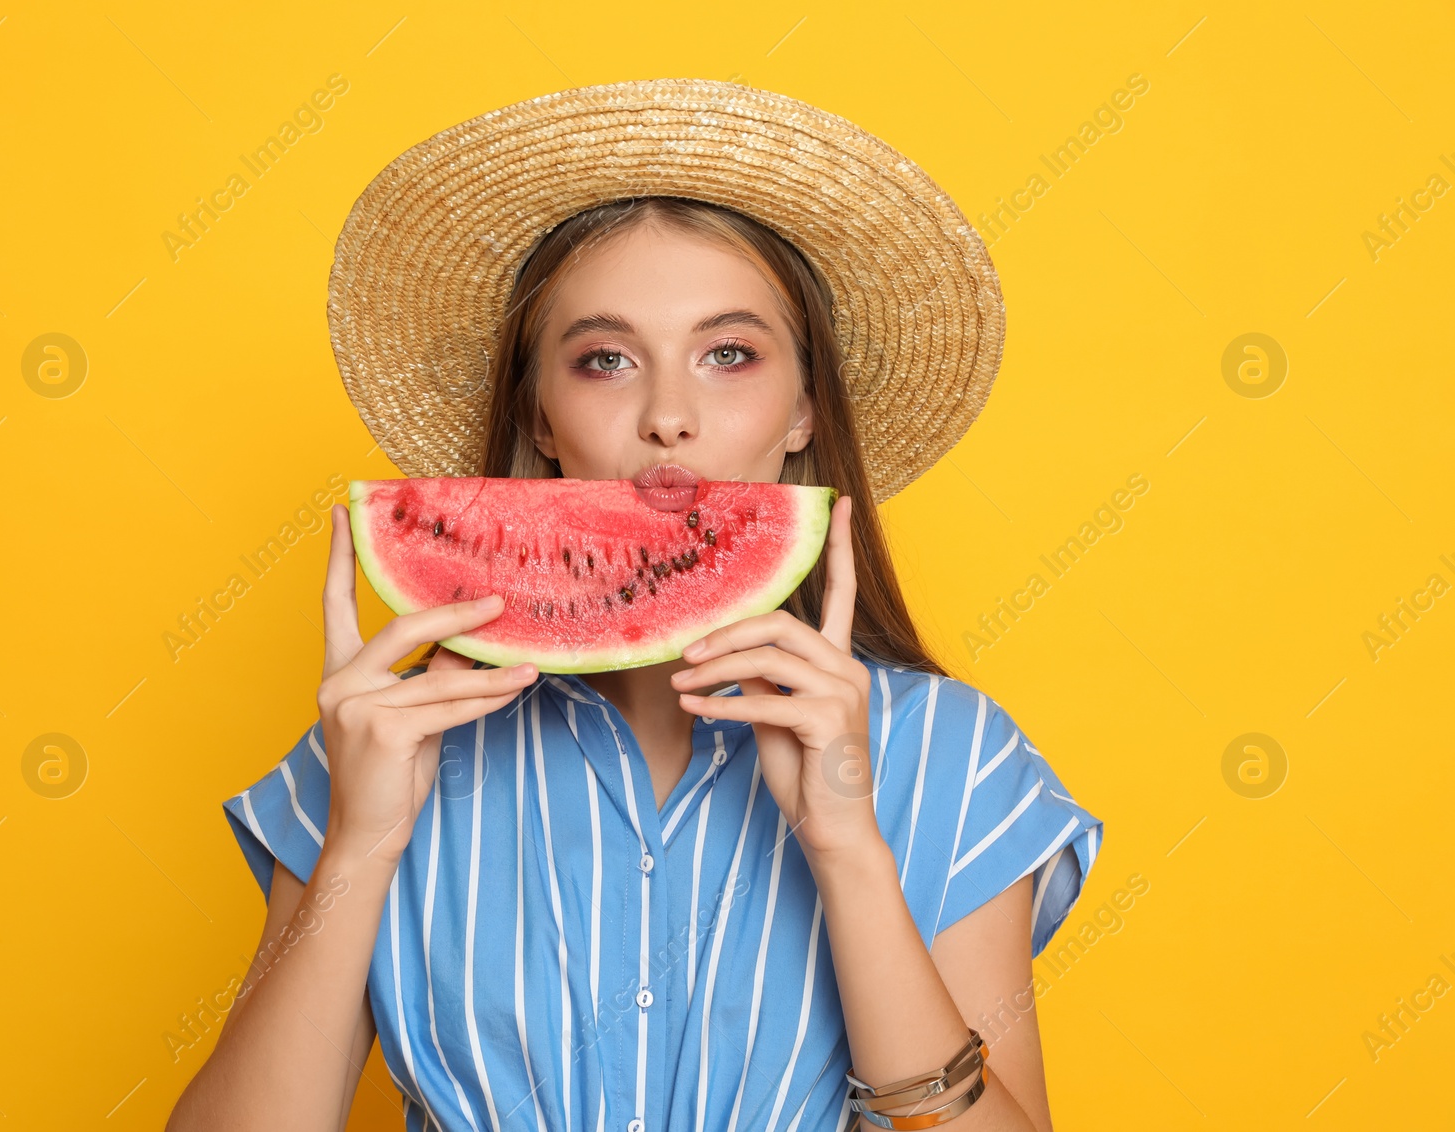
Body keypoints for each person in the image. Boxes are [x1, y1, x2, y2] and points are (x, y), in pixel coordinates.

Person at [168, 79, 1101, 1132]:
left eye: (729, 354)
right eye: (604, 360)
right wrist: (359, 844)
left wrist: (844, 842)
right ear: (542, 413)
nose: (667, 416)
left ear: (802, 409)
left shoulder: (954, 757)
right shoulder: (383, 745)